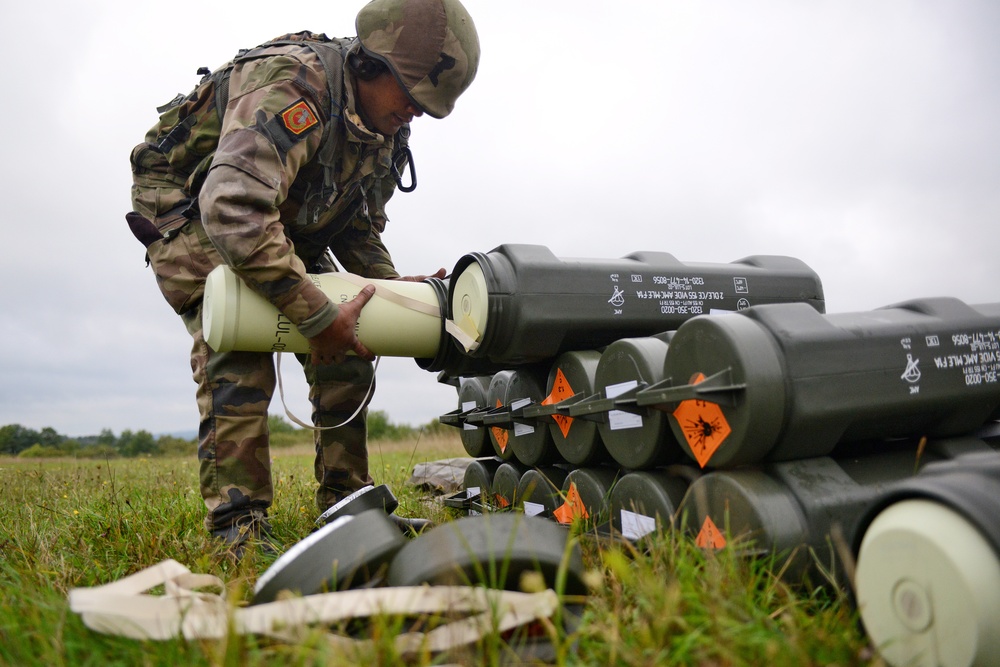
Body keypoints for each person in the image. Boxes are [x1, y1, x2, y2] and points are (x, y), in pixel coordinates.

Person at [126, 0, 480, 554]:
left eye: (425, 105)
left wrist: (396, 296)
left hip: (283, 222)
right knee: (238, 348)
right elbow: (233, 209)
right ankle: (237, 527)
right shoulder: (294, 84)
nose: (415, 112)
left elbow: (356, 225)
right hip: (191, 210)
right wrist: (316, 317)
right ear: (373, 65)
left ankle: (347, 508)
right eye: (411, 95)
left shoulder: (385, 127)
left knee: (352, 344)